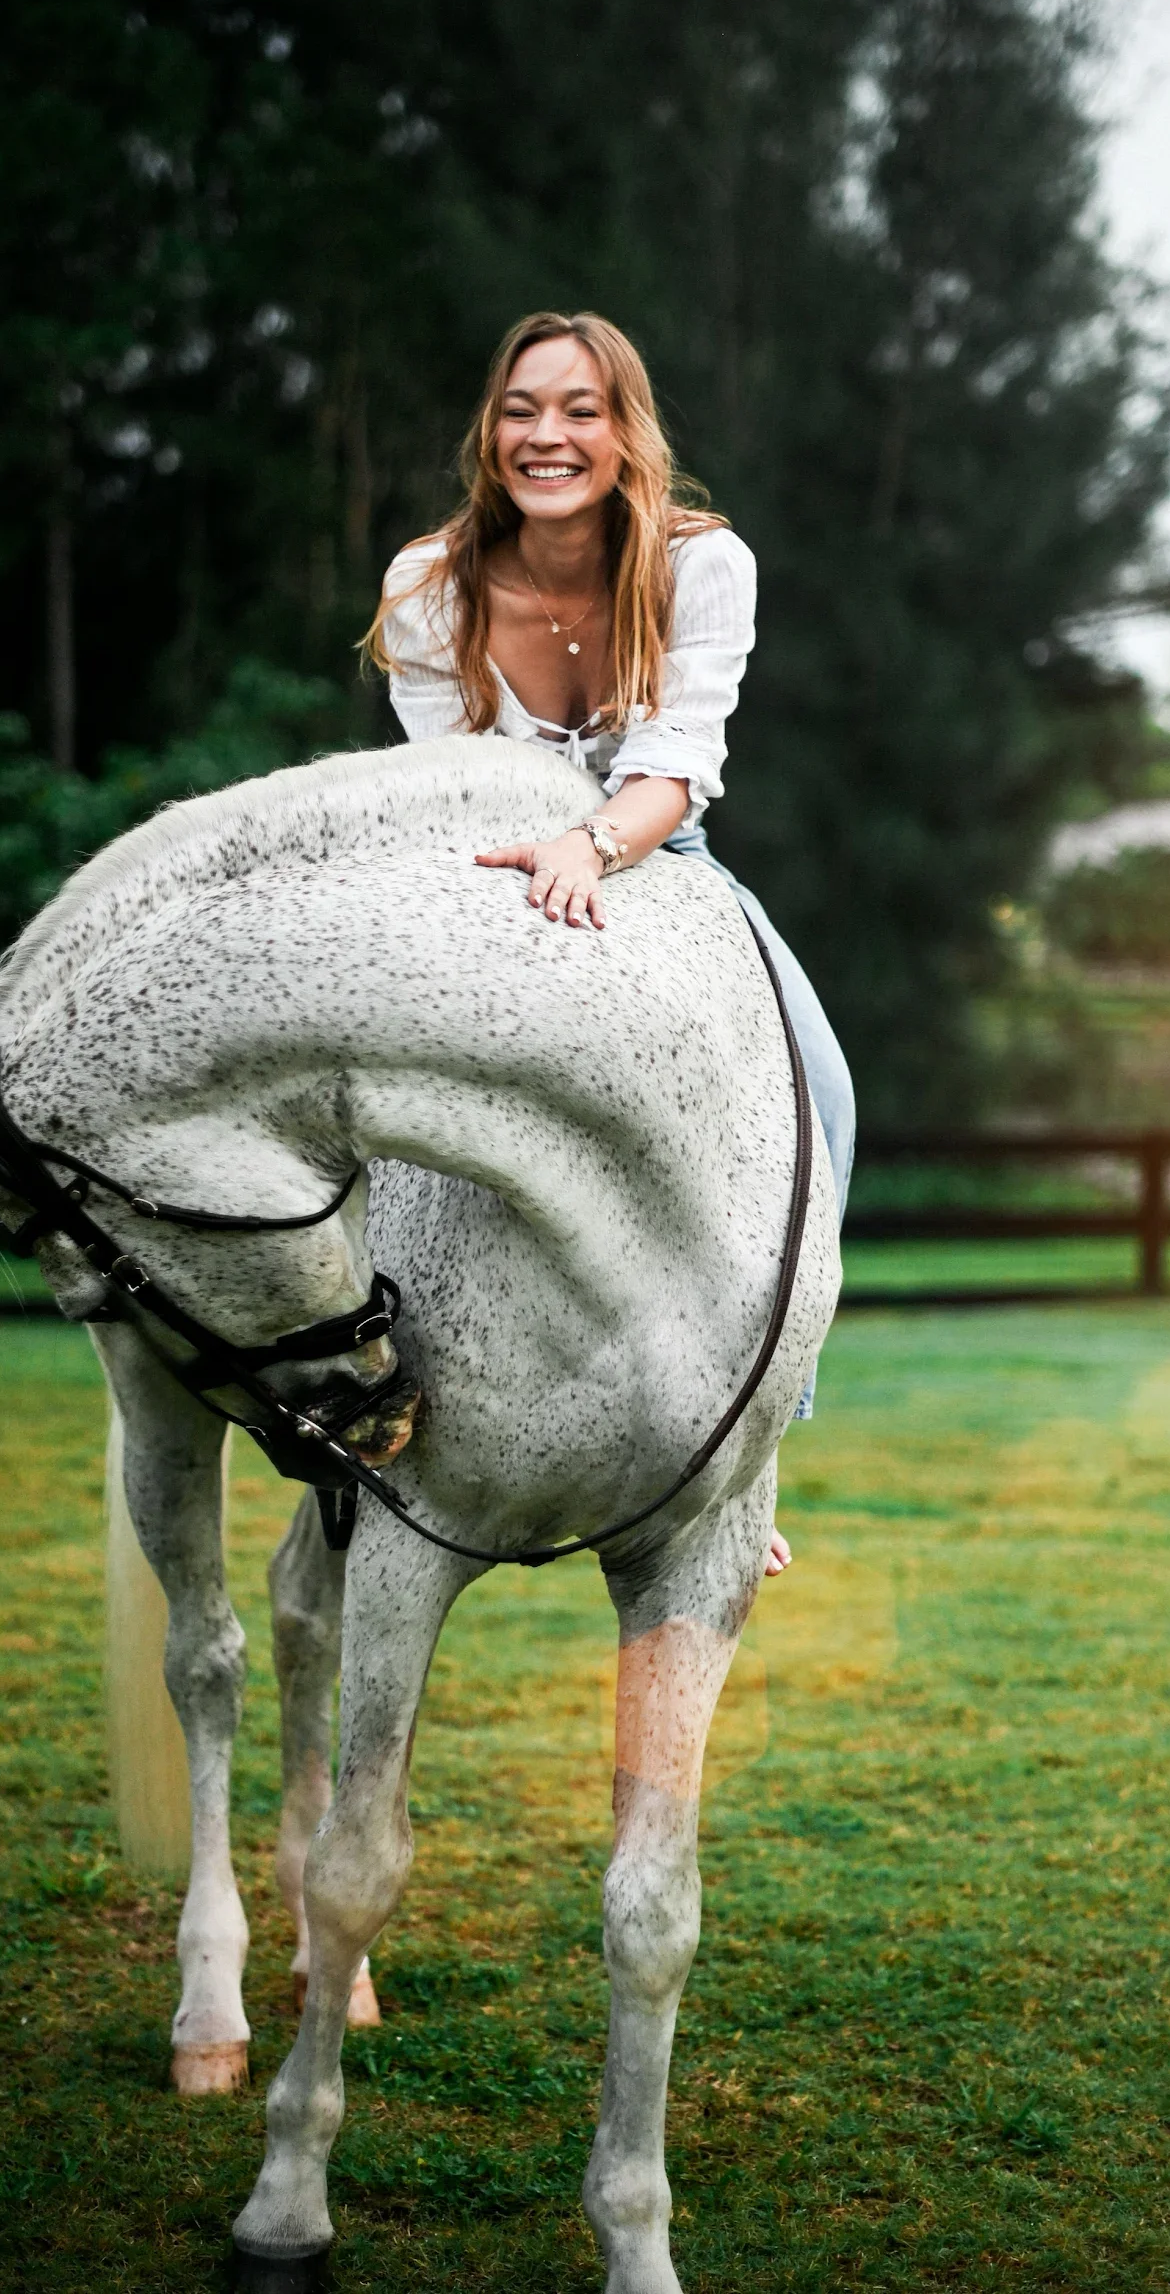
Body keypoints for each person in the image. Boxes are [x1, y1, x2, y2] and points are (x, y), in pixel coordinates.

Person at [363, 311, 855, 1569]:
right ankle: (345, 1389)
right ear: (491, 432)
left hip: (656, 852)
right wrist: (544, 855)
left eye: (579, 409)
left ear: (624, 430)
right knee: (347, 1084)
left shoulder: (704, 563)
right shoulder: (428, 583)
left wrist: (596, 847)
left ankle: (751, 1443)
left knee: (821, 1087)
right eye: (522, 408)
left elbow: (683, 758)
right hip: (482, 862)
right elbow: (452, 780)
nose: (548, 435)